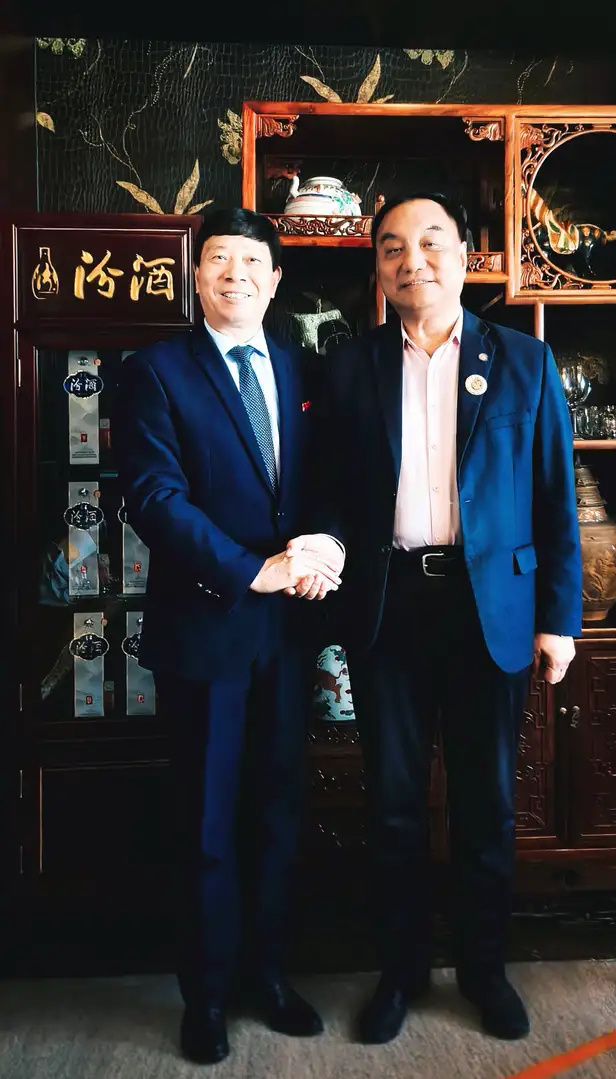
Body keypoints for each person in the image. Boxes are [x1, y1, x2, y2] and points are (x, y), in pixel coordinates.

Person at [301, 192, 582, 1044]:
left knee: (486, 801)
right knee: (392, 801)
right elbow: (326, 490)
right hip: (388, 605)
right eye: (392, 247)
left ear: (463, 256)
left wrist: (559, 618)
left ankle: (485, 970)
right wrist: (321, 552)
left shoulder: (525, 361)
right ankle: (401, 971)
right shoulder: (350, 366)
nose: (410, 259)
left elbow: (554, 497)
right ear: (378, 269)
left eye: (429, 242)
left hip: (488, 606)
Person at [113, 207, 344, 1065]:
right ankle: (206, 997)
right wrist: (252, 570)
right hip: (207, 628)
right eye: (218, 259)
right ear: (196, 274)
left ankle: (267, 978)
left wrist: (326, 546)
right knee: (207, 824)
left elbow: (328, 479)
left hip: (288, 634)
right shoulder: (156, 371)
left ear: (275, 279)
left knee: (277, 814)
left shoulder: (299, 367)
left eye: (252, 261)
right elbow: (153, 497)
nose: (235, 274)